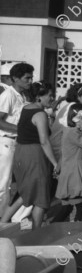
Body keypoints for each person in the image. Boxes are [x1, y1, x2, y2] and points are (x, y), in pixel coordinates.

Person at [0, 81, 58, 229]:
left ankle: (3, 221)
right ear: (39, 96)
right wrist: (55, 163)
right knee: (41, 197)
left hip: (21, 152)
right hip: (34, 155)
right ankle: (36, 233)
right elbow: (44, 141)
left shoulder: (26, 108)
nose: (52, 98)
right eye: (50, 95)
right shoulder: (40, 114)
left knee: (25, 191)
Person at [0, 62, 33, 218]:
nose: (30, 81)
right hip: (5, 142)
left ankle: (6, 218)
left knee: (11, 184)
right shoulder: (8, 95)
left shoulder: (22, 95)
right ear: (15, 78)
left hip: (15, 143)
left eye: (31, 78)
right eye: (27, 78)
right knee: (3, 184)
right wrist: (20, 130)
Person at [54, 103, 82, 222]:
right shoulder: (73, 133)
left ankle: (53, 227)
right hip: (74, 173)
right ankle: (54, 228)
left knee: (68, 207)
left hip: (69, 171)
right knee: (79, 206)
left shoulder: (69, 131)